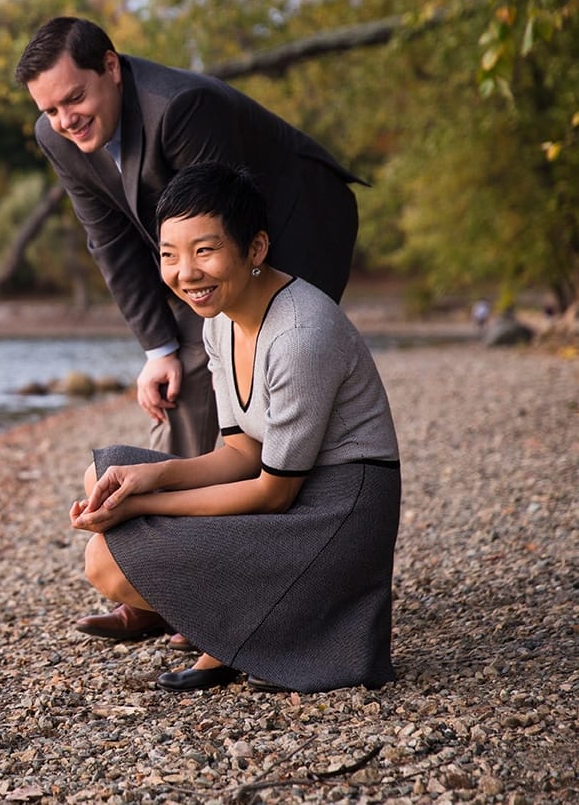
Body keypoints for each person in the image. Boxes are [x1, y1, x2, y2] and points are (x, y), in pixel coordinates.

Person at [15, 15, 366, 643]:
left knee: (244, 367)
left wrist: (187, 345)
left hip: (293, 214)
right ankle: (181, 580)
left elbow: (214, 241)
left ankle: (244, 580)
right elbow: (111, 240)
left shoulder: (182, 109)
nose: (65, 119)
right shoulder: (57, 134)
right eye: (51, 108)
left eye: (76, 98)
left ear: (112, 68)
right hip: (204, 245)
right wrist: (157, 351)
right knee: (190, 373)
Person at [68, 162, 401, 693]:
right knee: (102, 475)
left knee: (106, 561)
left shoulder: (299, 335)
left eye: (205, 251)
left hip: (334, 516)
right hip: (286, 489)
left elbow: (273, 492)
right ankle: (224, 628)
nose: (186, 273)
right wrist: (144, 479)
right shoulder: (218, 321)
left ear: (256, 248)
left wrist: (143, 504)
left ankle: (251, 632)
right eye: (169, 255)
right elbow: (240, 454)